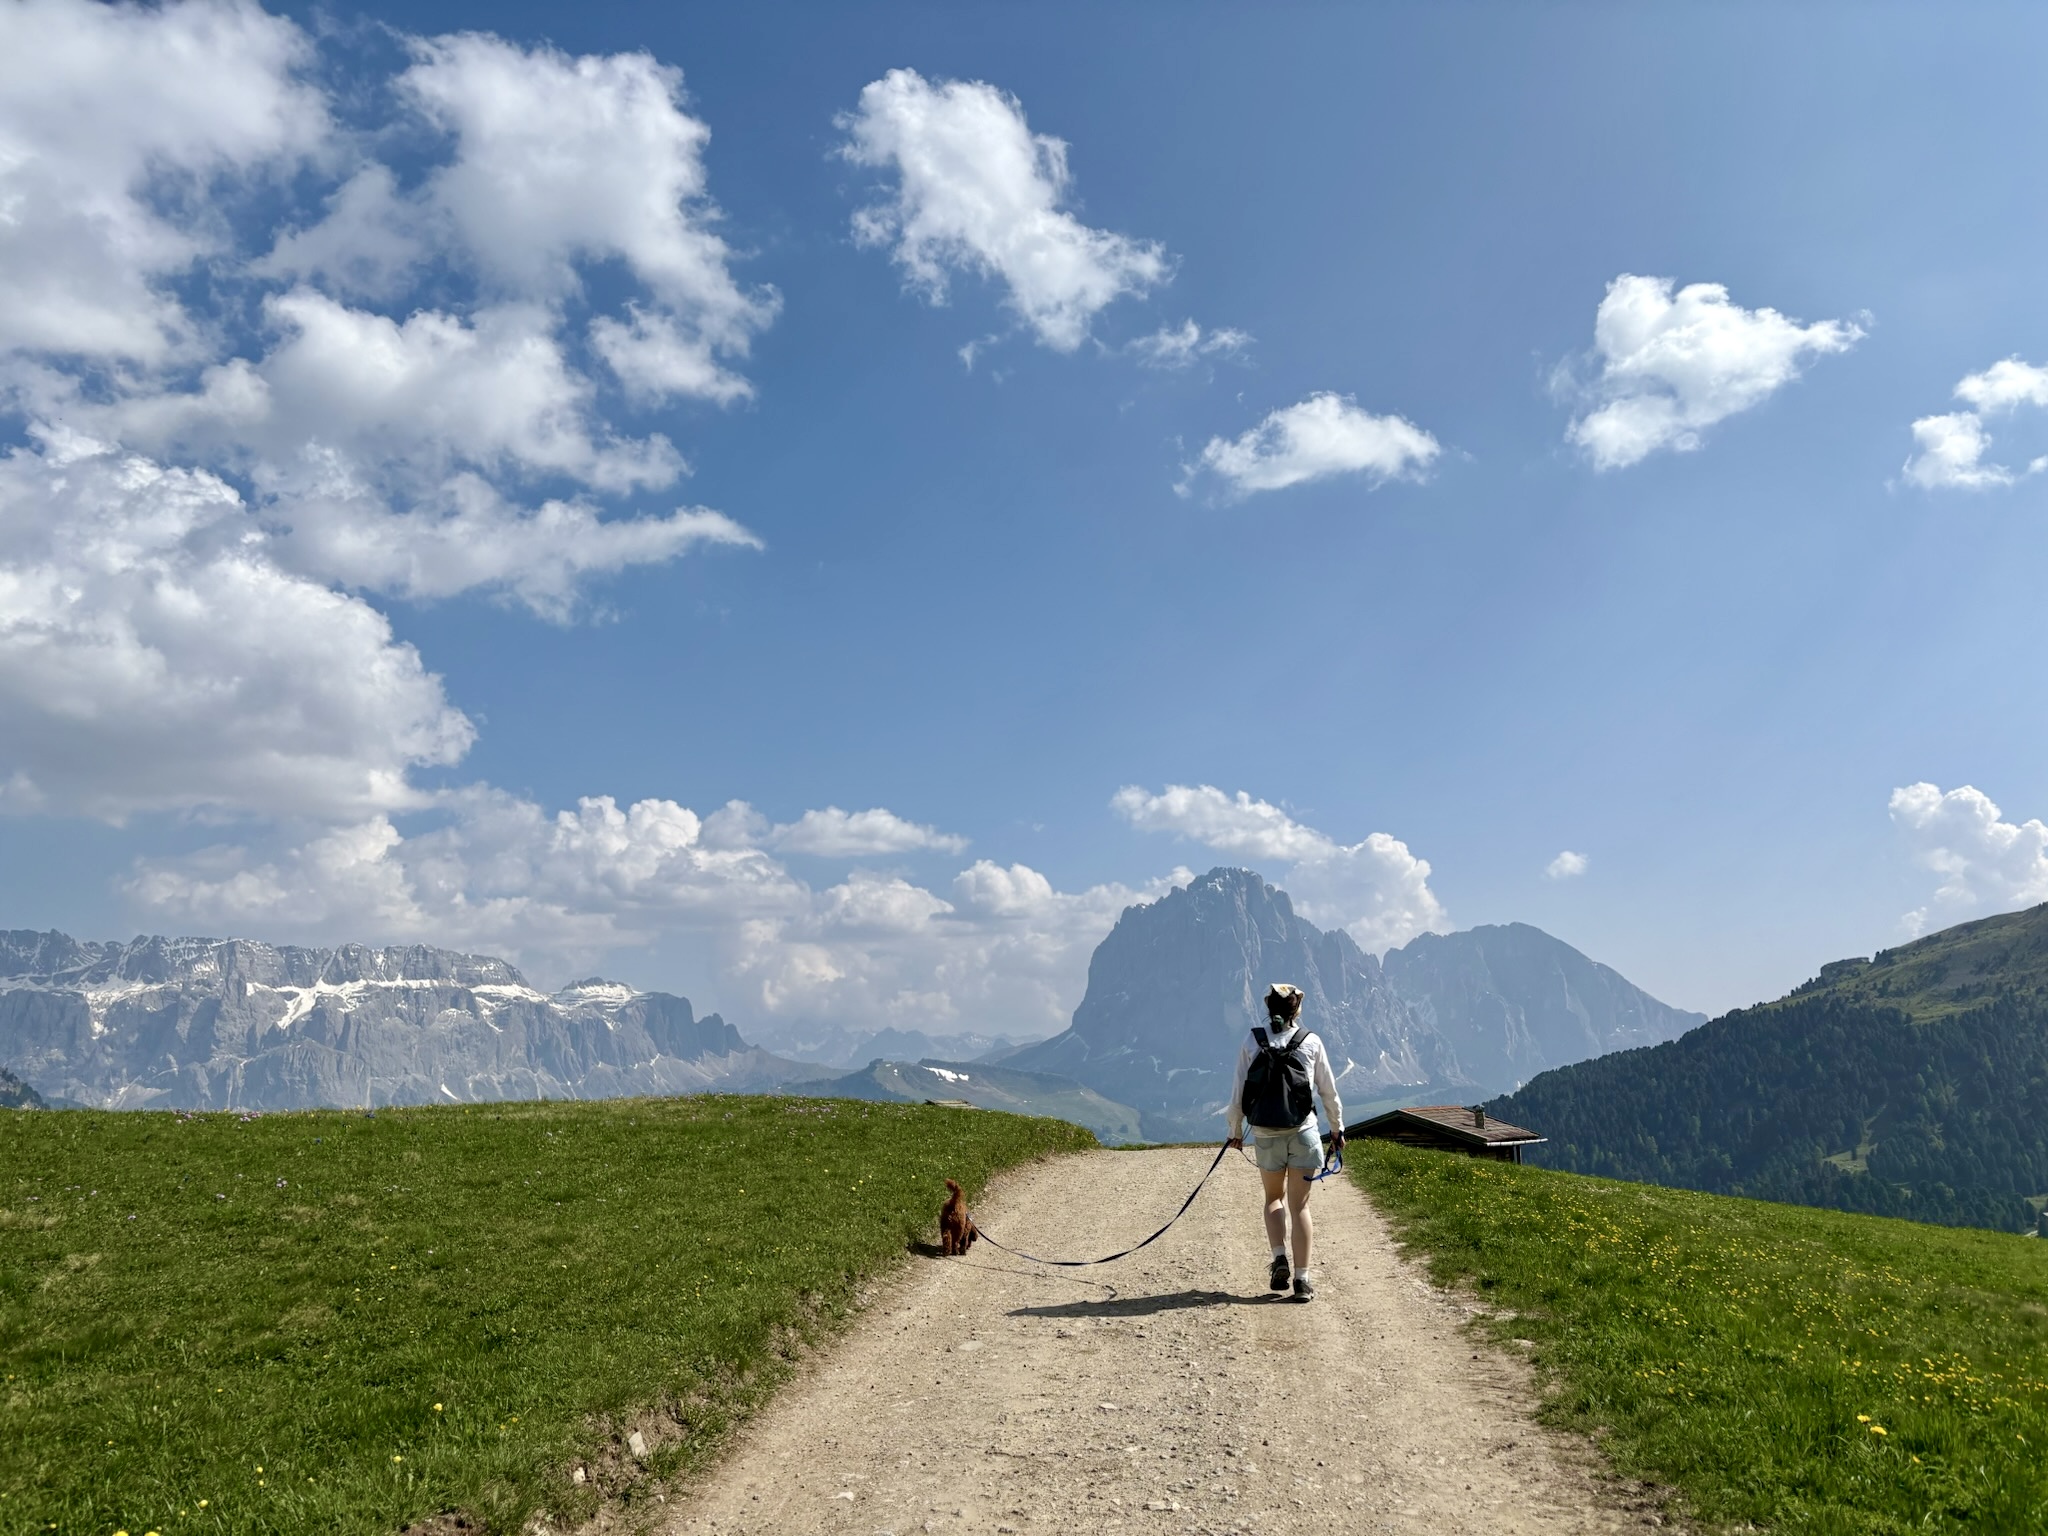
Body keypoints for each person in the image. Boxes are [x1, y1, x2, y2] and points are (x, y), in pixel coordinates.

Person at [1226, 982, 1343, 1301]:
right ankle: (1302, 1280)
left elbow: (1238, 1092)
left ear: (1268, 1008)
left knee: (1273, 1199)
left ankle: (1279, 1257)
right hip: (1303, 1131)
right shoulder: (1311, 1041)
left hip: (1266, 1134)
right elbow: (1328, 1091)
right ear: (1297, 1010)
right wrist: (1337, 1129)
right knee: (1300, 1205)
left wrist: (1235, 1131)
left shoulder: (1252, 1040)